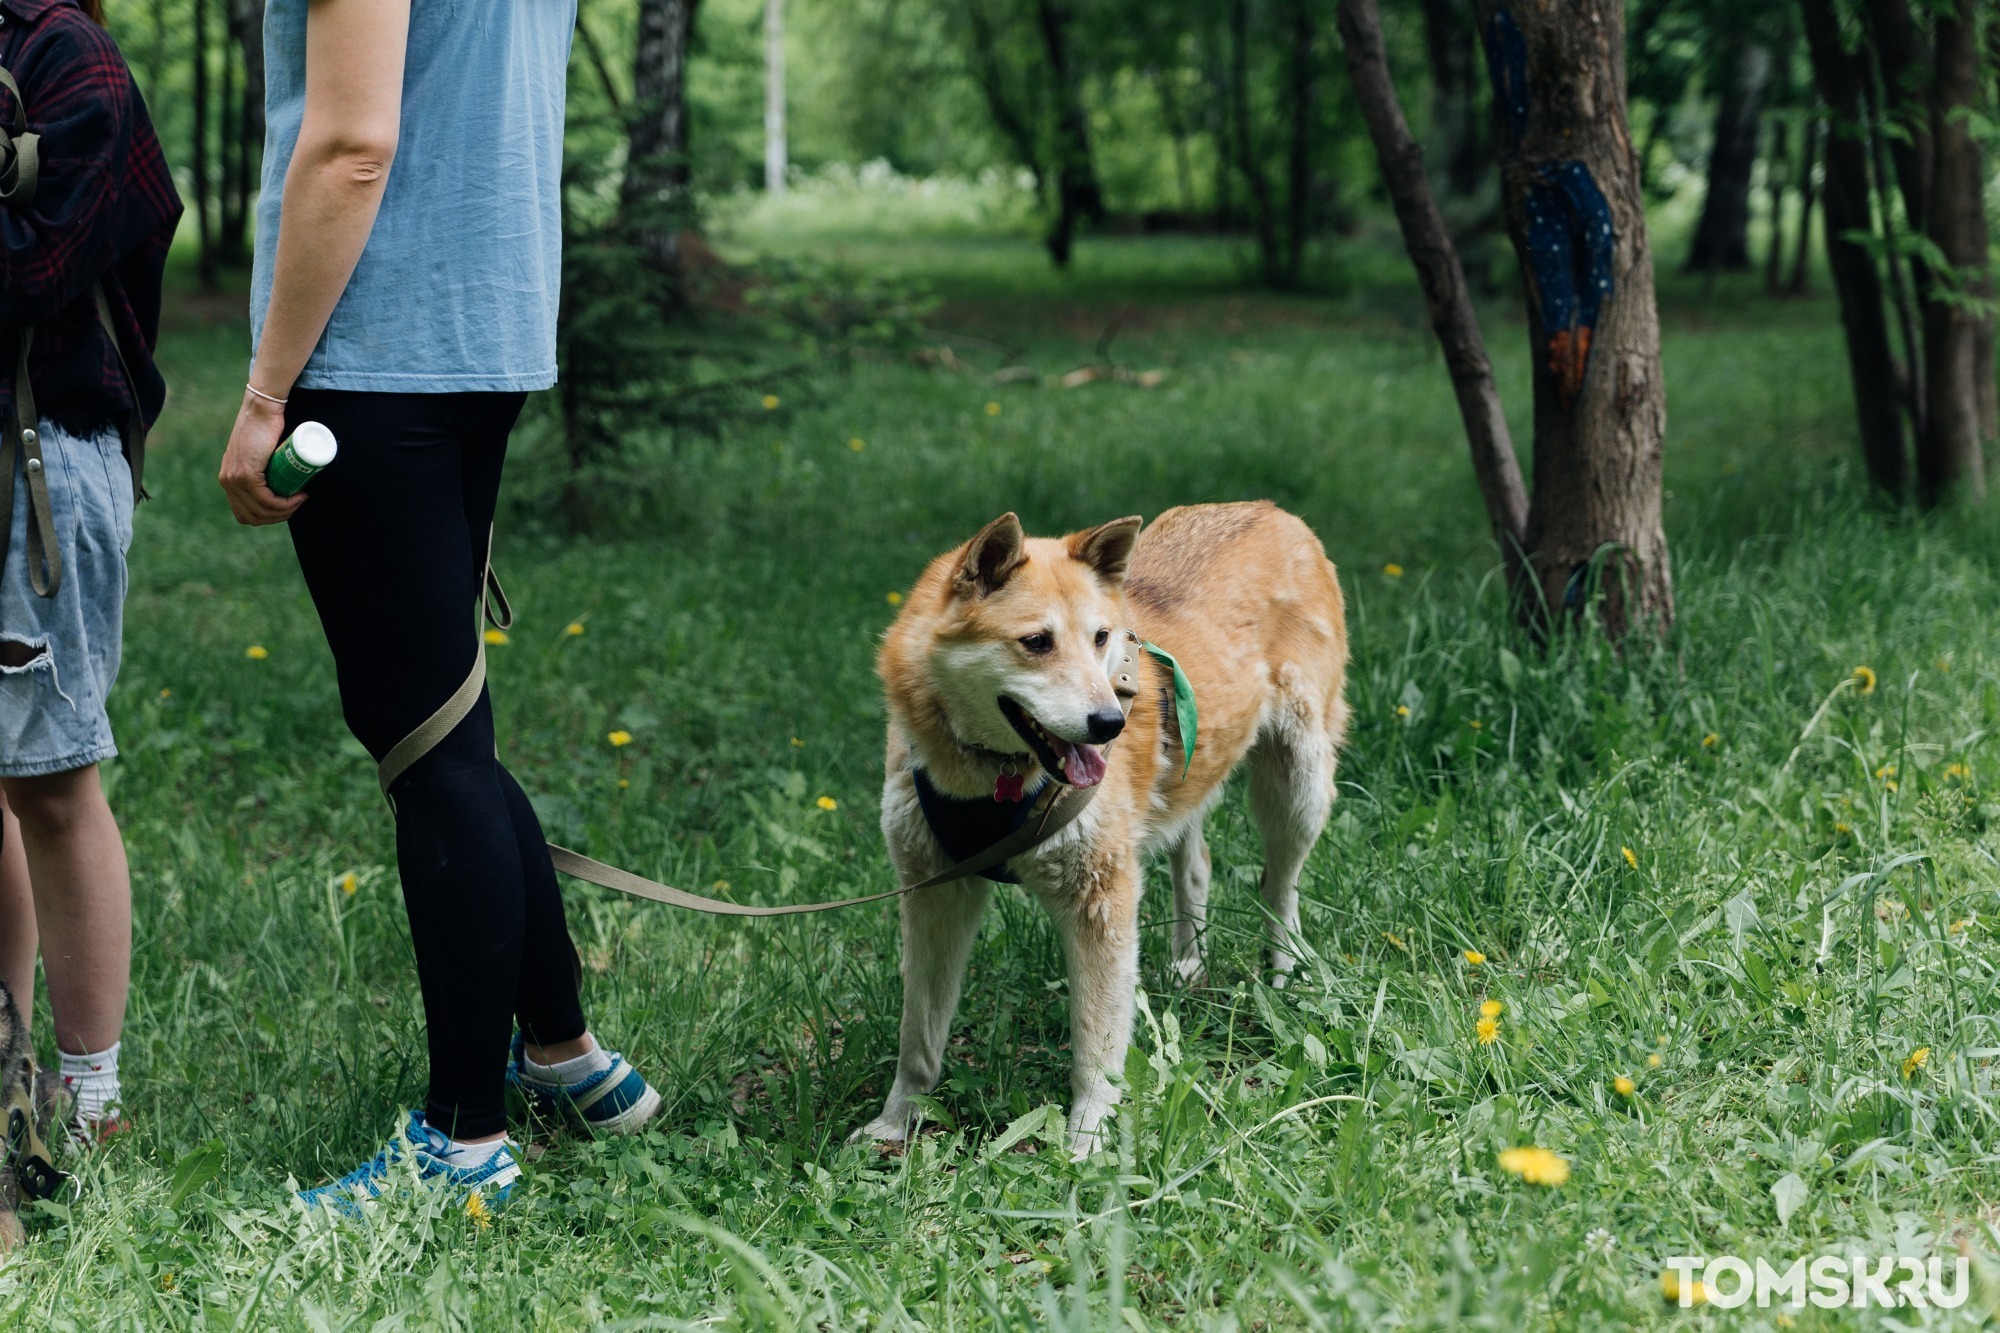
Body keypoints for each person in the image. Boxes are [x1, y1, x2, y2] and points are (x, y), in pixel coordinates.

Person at [221, 0, 659, 1212]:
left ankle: (461, 1141)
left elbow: (352, 144)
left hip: (378, 350)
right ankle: (570, 1059)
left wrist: (265, 390)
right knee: (448, 729)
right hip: (486, 336)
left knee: (426, 747)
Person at [0, 0, 179, 1145]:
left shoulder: (66, 57)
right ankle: (7, 1073)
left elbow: (30, 277)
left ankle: (90, 1098)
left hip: (36, 472)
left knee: (53, 786)